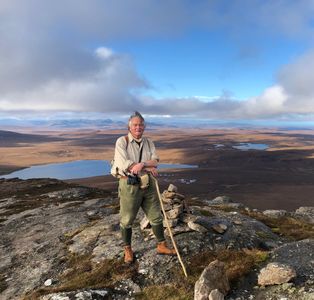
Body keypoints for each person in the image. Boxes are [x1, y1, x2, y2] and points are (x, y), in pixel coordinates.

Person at [111, 111, 176, 263]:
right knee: (127, 219)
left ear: (144, 126)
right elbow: (125, 165)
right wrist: (146, 166)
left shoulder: (148, 142)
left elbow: (156, 161)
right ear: (129, 126)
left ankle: (161, 245)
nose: (138, 127)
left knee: (156, 215)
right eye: (135, 125)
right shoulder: (122, 142)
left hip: (149, 183)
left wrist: (144, 164)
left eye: (140, 124)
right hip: (129, 184)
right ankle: (127, 249)